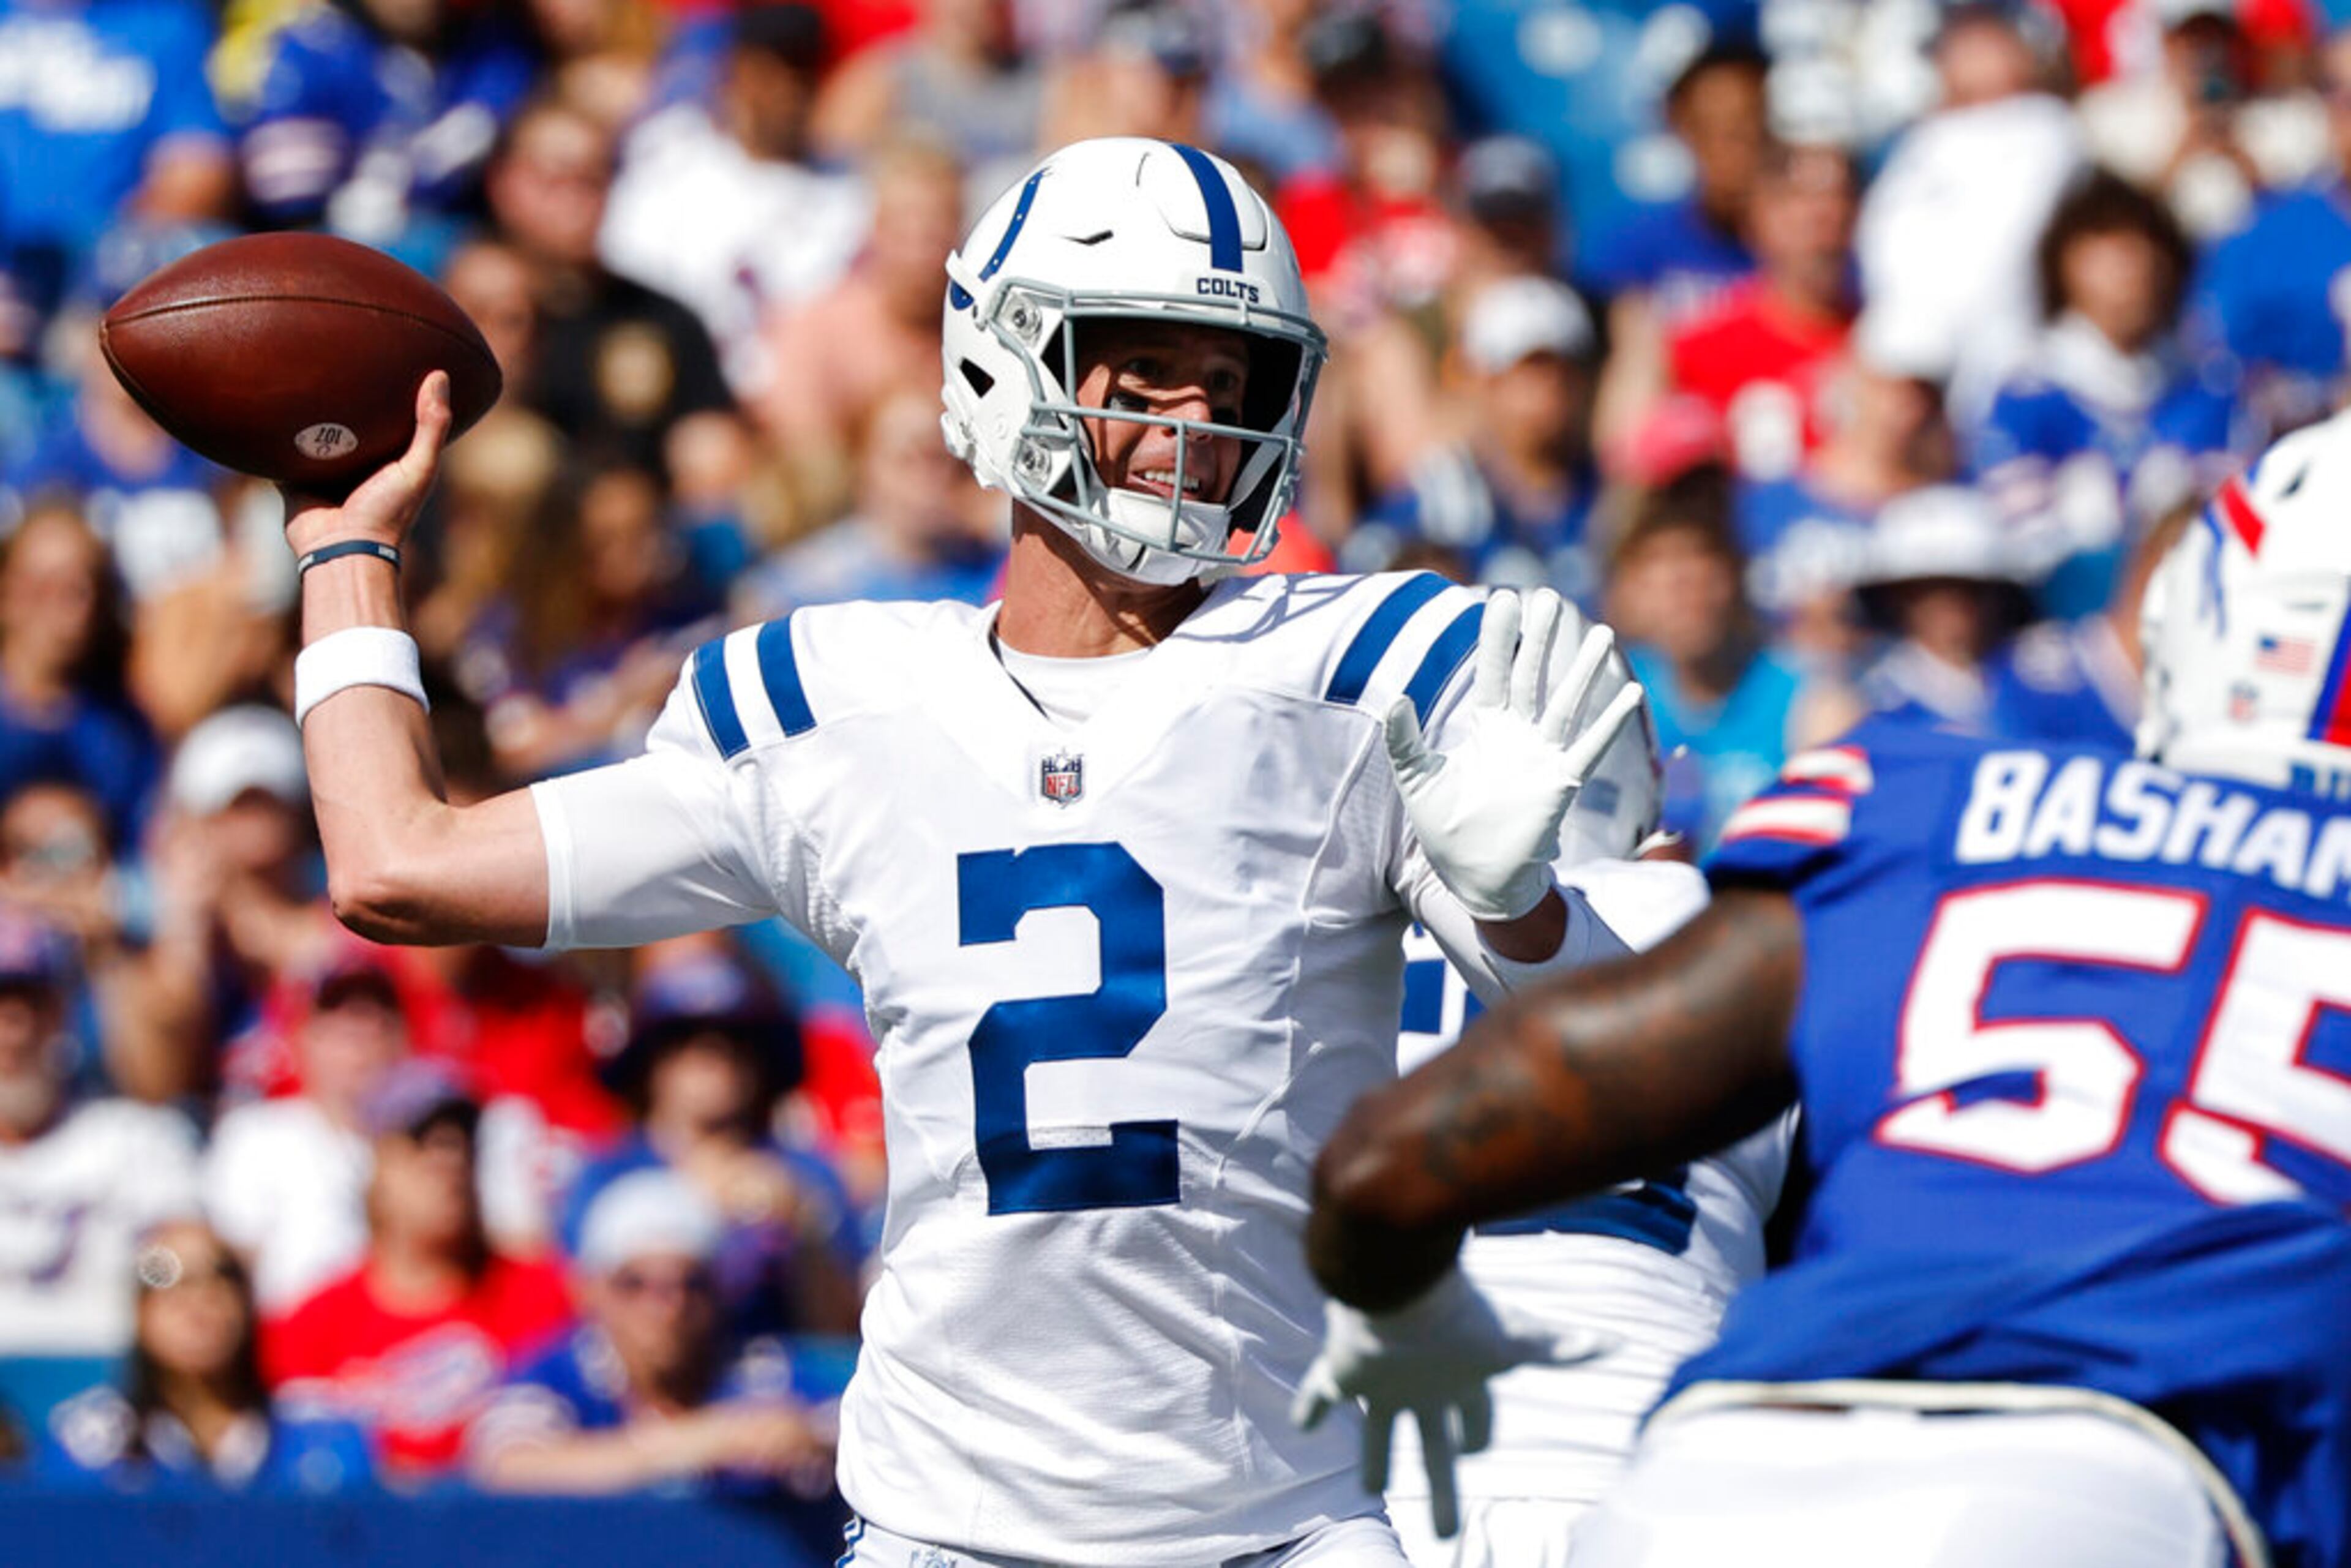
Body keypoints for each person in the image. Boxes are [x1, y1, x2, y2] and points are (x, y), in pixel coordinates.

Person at [270, 136, 1657, 1564]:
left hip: (1281, 1522)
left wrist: (1524, 911)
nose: (1196, 419)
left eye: (1229, 380)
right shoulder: (836, 702)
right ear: (1005, 364)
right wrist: (343, 554)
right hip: (954, 1522)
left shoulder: (1366, 672)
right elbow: (399, 862)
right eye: (1146, 366)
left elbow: (1630, 1078)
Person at [1299, 413, 2351, 1567]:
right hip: (2129, 1481)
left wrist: (1416, 1310)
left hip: (1728, 1470)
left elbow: (1393, 1162)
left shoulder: (1926, 806)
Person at [1378, 691, 1793, 1567]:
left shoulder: (1341, 938)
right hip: (1649, 1461)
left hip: (1374, 1476)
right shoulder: (1739, 920)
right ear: (1646, 785)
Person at [262, 1061, 571, 1476]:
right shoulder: (310, 1325)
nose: (449, 1160)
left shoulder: (541, 1294)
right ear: (376, 1169)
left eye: (462, 1142)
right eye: (422, 1142)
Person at [467, 1167, 833, 1496]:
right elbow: (508, 1466)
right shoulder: (557, 1375)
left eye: (691, 1284)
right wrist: (699, 1441)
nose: (667, 1306)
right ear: (591, 1291)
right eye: (635, 1284)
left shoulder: (761, 1372)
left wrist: (808, 1437)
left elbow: (861, 1433)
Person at [39, 1218, 373, 1492]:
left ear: (248, 1303)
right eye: (162, 1274)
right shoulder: (88, 1449)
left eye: (223, 1275)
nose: (198, 1298)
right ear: (140, 1312)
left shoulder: (322, 1445)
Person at [0, 906, 200, 1356]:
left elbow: (187, 1265)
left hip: (113, 1378)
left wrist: (149, 1274)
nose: (14, 1032)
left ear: (63, 1016)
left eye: (32, 1007)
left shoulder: (137, 1140)